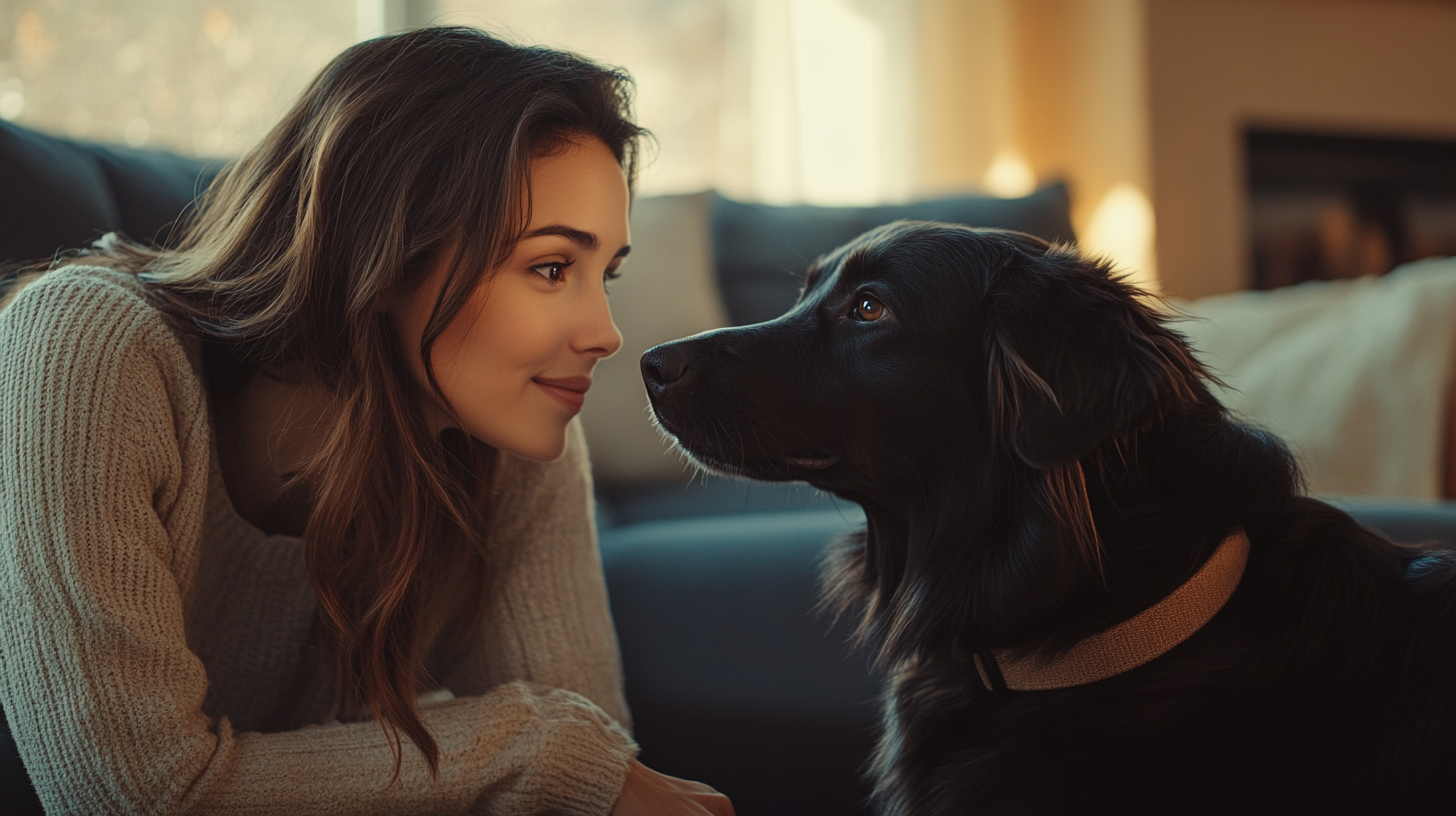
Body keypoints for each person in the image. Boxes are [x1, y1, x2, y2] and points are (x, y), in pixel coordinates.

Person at [0, 26, 733, 816]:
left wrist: (566, 769)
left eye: (606, 276)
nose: (606, 333)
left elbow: (592, 794)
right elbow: (129, 798)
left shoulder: (516, 437)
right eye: (552, 268)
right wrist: (534, 749)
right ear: (382, 253)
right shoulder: (83, 343)